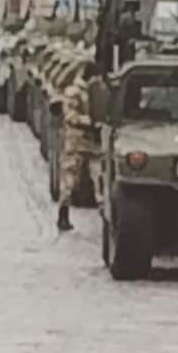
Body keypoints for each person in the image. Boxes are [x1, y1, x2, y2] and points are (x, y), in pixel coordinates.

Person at [58, 61, 102, 232]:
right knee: (69, 179)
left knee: (99, 179)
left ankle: (104, 215)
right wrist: (90, 122)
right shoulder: (73, 92)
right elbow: (70, 115)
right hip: (76, 140)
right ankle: (63, 214)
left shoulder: (97, 91)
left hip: (94, 143)